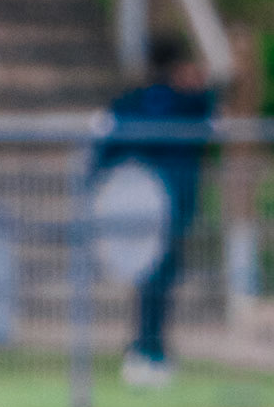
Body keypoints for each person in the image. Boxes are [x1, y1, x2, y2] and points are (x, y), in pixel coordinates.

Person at [92, 31, 218, 386]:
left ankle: (145, 348)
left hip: (136, 206)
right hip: (172, 204)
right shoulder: (190, 103)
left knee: (151, 279)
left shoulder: (127, 102)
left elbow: (102, 155)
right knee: (159, 279)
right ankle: (150, 351)